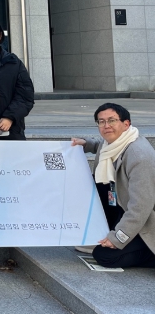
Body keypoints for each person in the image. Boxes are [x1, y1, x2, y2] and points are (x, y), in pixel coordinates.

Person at [71, 103, 155, 269]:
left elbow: (141, 208)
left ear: (126, 124)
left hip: (146, 221)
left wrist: (118, 238)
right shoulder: (113, 144)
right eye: (101, 121)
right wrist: (86, 144)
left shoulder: (139, 157)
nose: (106, 125)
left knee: (105, 256)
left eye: (112, 120)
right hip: (122, 205)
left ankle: (150, 252)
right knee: (98, 184)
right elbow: (101, 145)